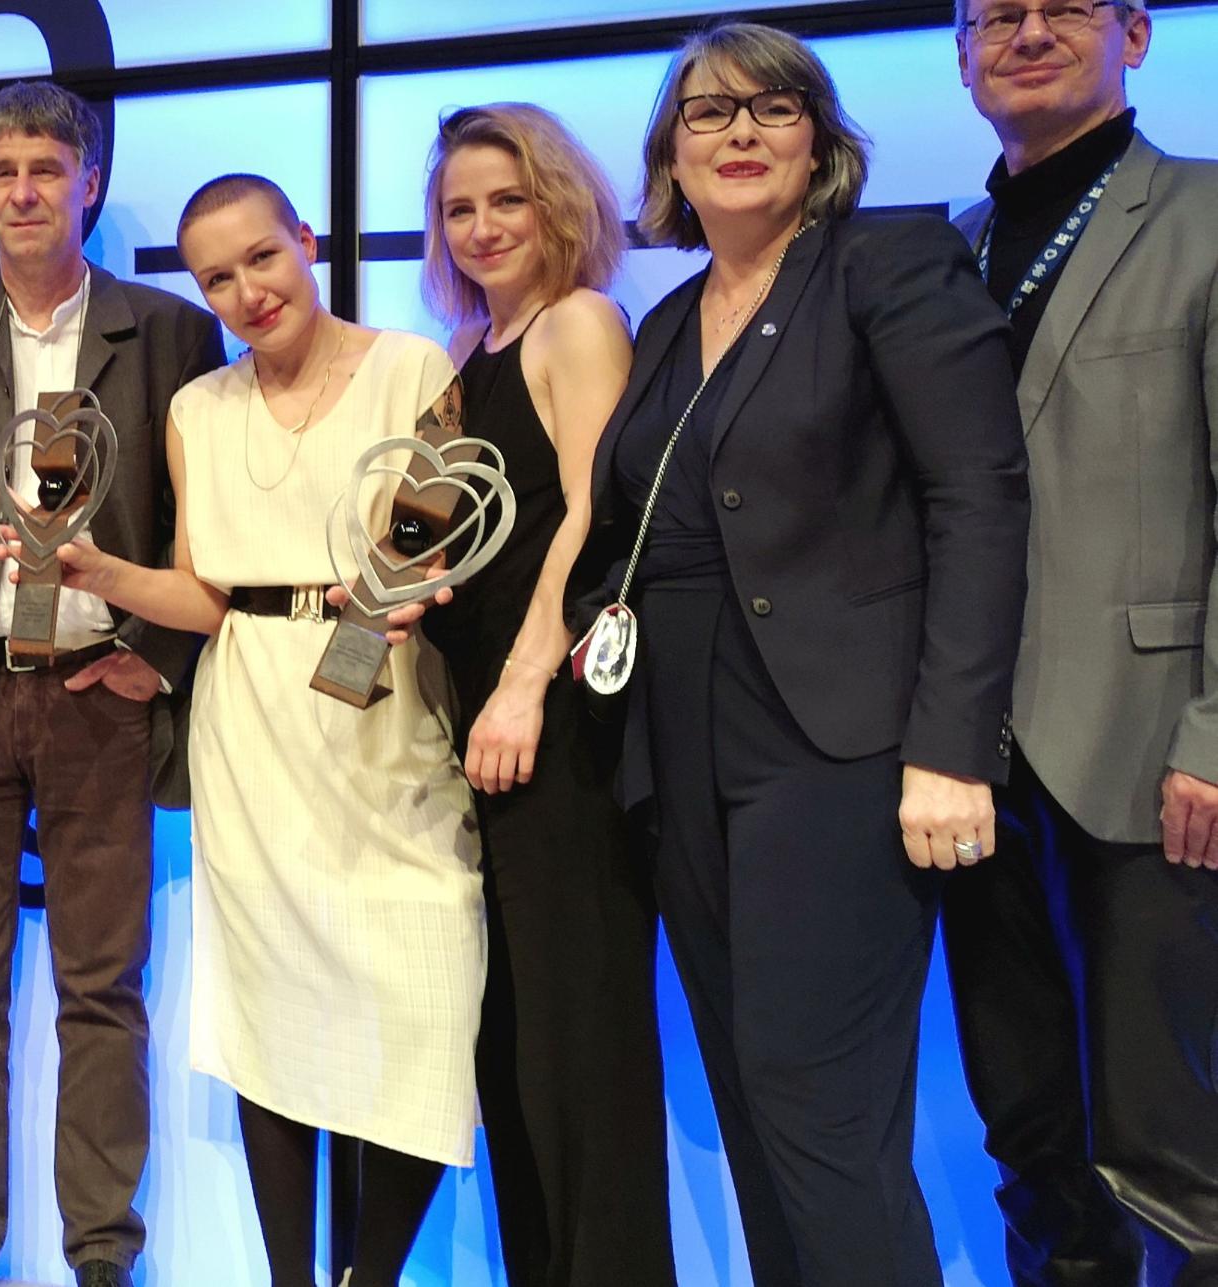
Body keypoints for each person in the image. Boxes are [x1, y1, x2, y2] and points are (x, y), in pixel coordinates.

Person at [592, 23, 1026, 1285]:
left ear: (822, 140)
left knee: (818, 1108)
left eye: (770, 110)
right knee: (749, 1102)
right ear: (668, 152)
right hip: (677, 751)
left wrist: (952, 748)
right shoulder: (666, 317)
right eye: (706, 114)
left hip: (836, 747)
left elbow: (978, 500)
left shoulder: (888, 264)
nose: (736, 134)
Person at [0, 171, 482, 1286]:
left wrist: (355, 668)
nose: (248, 291)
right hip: (248, 718)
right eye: (218, 277)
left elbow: (420, 546)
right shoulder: (194, 410)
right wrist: (94, 571)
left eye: (263, 258)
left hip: (380, 708)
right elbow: (204, 595)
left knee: (419, 990)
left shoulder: (413, 367)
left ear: (303, 240)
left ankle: (371, 1273)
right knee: (273, 1017)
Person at [0, 80, 221, 1287]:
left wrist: (156, 656)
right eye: (0, 172)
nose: (21, 191)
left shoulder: (165, 328)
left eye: (42, 169)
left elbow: (201, 519)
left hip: (94, 692)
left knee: (100, 986)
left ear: (88, 183)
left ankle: (101, 1247)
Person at [941, 1, 1218, 1279]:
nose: (1028, 31)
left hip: (1151, 750)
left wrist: (1213, 738)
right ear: (959, 53)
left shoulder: (1206, 214)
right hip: (965, 757)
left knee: (1173, 1140)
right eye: (997, 13)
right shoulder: (945, 252)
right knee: (1025, 1126)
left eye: (1064, 7)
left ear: (1135, 35)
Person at [418, 103, 674, 1287]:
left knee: (582, 1050)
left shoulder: (578, 323)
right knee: (514, 1049)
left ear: (558, 202)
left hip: (555, 729)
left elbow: (597, 515)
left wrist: (523, 686)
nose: (480, 227)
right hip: (480, 738)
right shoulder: (469, 352)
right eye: (460, 207)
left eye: (505, 200)